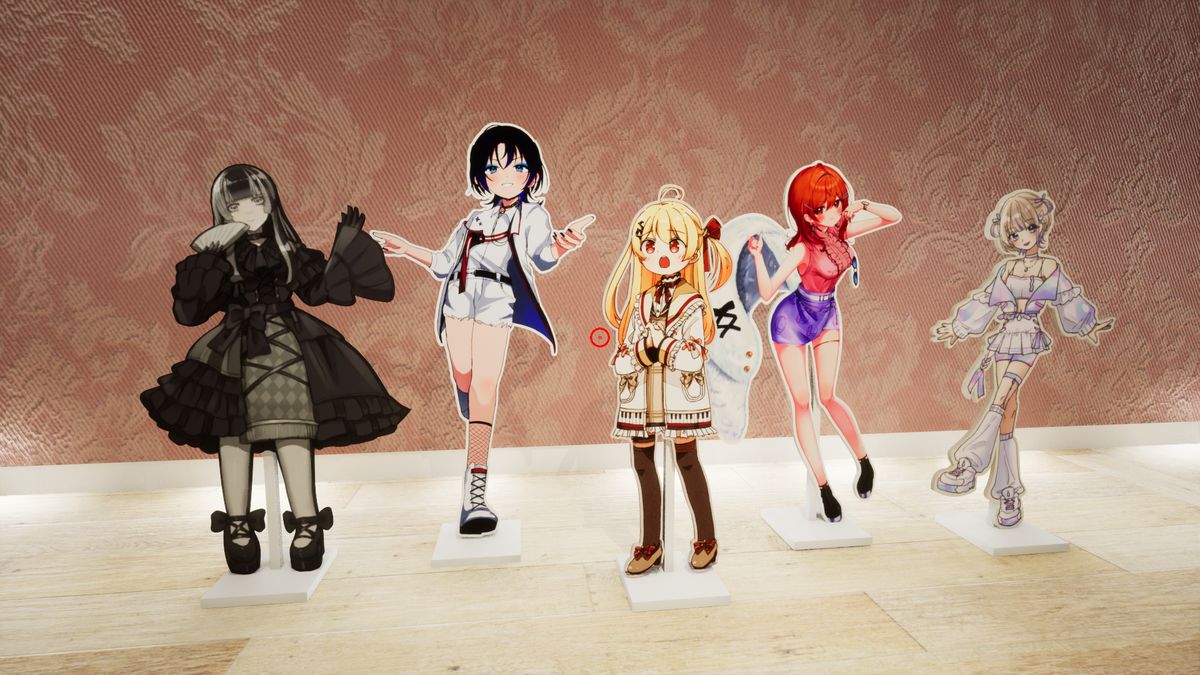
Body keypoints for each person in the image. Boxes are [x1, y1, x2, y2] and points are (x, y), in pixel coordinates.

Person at [141, 164, 408, 573]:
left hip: (287, 346)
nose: (248, 211)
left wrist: (346, 250)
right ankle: (237, 523)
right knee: (231, 430)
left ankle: (307, 521)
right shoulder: (219, 257)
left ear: (270, 202)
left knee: (294, 427)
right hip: (232, 349)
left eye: (256, 200)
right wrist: (209, 258)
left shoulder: (290, 253)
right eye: (235, 205)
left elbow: (317, 292)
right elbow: (189, 313)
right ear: (223, 210)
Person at [371, 123, 591, 536]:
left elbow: (543, 257)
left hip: (497, 302)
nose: (505, 177)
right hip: (458, 299)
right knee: (465, 378)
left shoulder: (534, 215)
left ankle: (475, 495)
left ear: (531, 174)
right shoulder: (474, 218)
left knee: (485, 388)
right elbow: (443, 263)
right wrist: (404, 248)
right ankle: (472, 404)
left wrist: (565, 242)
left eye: (516, 168)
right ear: (482, 176)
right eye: (494, 169)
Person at [931, 189, 1114, 527]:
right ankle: (1007, 491)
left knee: (1001, 397)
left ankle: (969, 463)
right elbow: (986, 301)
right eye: (1014, 233)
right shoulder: (1006, 268)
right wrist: (958, 327)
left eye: (1028, 228)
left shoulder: (1050, 267)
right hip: (1003, 338)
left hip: (1029, 338)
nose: (1022, 237)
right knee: (1008, 412)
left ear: (1040, 227)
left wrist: (1087, 324)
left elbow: (1066, 300)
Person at [747, 162, 901, 522]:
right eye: (822, 207)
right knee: (803, 403)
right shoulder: (802, 247)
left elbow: (892, 216)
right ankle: (823, 488)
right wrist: (757, 257)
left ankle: (864, 461)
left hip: (826, 313)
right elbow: (768, 292)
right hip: (792, 318)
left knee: (828, 396)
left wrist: (862, 205)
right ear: (806, 213)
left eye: (836, 202)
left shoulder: (842, 230)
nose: (832, 211)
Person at [602, 184, 732, 574]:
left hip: (678, 397)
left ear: (691, 250)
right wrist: (644, 352)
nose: (661, 254)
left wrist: (660, 347)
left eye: (674, 245)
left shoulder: (693, 301)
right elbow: (624, 357)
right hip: (642, 398)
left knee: (687, 461)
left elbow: (693, 355)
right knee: (642, 463)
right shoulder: (640, 301)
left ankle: (706, 537)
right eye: (650, 245)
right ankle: (650, 543)